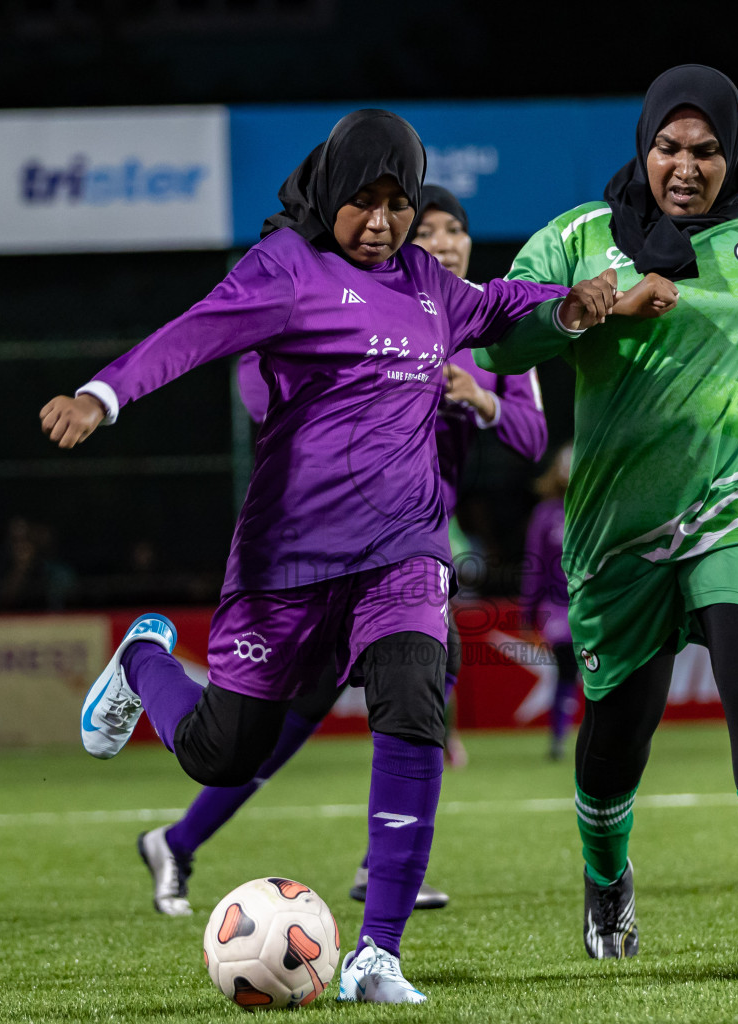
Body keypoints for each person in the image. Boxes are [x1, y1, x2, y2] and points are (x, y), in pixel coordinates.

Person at [38, 109, 668, 1004]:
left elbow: (497, 306)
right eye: (363, 202)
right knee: (223, 753)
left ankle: (378, 955)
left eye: (398, 204)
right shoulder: (285, 268)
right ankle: (144, 659)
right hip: (287, 559)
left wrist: (581, 303)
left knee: (414, 700)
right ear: (330, 193)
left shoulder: (426, 283)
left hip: (402, 550)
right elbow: (194, 332)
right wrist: (102, 395)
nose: (382, 222)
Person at [476, 65, 738, 974]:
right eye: (668, 147)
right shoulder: (581, 237)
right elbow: (500, 337)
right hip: (619, 524)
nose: (685, 166)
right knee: (616, 739)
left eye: (706, 150)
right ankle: (606, 873)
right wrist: (587, 306)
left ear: (730, 155)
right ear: (644, 147)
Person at [137, 184, 550, 923]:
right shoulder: (352, 310)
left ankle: (370, 876)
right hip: (320, 553)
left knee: (422, 676)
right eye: (429, 231)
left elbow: (533, 437)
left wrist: (477, 398)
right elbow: (264, 393)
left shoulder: (492, 326)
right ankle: (178, 838)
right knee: (269, 731)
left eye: (456, 230)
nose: (445, 242)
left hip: (410, 554)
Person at [523, 444, 578, 761]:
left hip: (593, 606)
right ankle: (558, 737)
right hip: (557, 607)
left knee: (597, 675)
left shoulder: (596, 509)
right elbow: (535, 565)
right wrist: (528, 613)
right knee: (567, 666)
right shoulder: (545, 514)